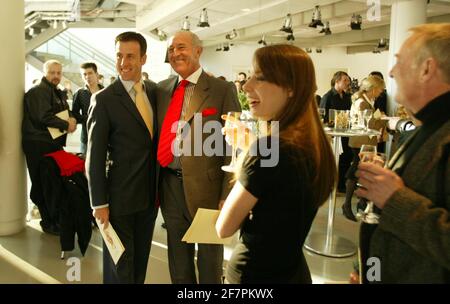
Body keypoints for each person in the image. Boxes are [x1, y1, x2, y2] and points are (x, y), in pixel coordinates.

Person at [216, 44, 337, 283]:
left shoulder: (266, 150)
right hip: (294, 272)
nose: (247, 86)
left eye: (259, 78)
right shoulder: (315, 144)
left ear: (291, 88)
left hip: (255, 274)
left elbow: (224, 228)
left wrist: (249, 152)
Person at [356, 23, 450, 283]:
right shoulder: (431, 126)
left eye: (399, 61)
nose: (391, 71)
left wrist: (395, 198)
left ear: (427, 69)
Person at [156, 31, 240, 284]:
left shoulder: (221, 89)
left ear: (198, 51)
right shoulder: (161, 90)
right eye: (171, 49)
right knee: (177, 257)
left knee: (209, 259)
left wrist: (227, 194)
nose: (175, 54)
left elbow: (233, 145)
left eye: (181, 47)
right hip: (170, 185)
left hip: (208, 189)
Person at [86, 31, 158, 284]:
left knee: (139, 269)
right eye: (119, 55)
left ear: (144, 59)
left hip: (149, 200)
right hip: (118, 202)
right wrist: (98, 203)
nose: (123, 62)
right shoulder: (103, 99)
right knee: (120, 271)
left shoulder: (155, 93)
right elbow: (93, 157)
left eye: (130, 56)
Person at [22, 59, 77, 235]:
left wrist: (73, 119)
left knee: (52, 183)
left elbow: (64, 113)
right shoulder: (39, 91)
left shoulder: (55, 91)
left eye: (58, 73)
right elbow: (43, 117)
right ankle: (48, 222)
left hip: (50, 144)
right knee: (42, 184)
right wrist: (66, 124)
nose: (55, 76)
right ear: (45, 73)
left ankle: (53, 220)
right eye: (52, 72)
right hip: (38, 144)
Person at [341, 76, 386, 221]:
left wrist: (379, 117)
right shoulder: (362, 102)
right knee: (356, 170)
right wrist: (382, 118)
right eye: (380, 89)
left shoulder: (366, 101)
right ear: (373, 89)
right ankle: (347, 204)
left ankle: (361, 203)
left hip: (365, 140)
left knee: (362, 171)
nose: (381, 92)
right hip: (360, 141)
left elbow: (372, 119)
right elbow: (371, 123)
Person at [320, 71, 352, 192]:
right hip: (333, 133)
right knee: (334, 159)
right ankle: (331, 184)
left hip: (345, 131)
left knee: (346, 157)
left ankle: (341, 184)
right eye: (345, 80)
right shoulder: (327, 97)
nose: (348, 83)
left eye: (348, 80)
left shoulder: (347, 96)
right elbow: (322, 116)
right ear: (337, 81)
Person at [72, 62, 103, 156]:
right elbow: (74, 115)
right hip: (86, 138)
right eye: (84, 74)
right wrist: (89, 118)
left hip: (104, 137)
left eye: (90, 73)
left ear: (96, 74)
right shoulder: (80, 93)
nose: (87, 77)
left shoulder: (105, 92)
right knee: (85, 167)